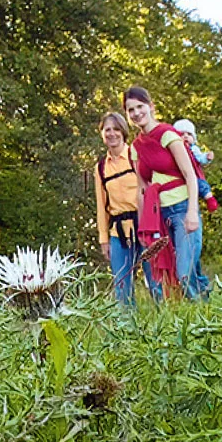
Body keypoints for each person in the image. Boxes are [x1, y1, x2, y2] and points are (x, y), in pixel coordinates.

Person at [123, 87, 209, 300]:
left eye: (140, 107)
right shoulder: (135, 147)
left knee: (184, 272)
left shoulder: (168, 135)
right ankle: (192, 316)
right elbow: (142, 189)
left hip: (181, 208)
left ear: (151, 107)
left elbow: (190, 175)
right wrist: (144, 227)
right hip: (159, 214)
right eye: (130, 109)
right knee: (167, 277)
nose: (136, 113)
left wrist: (192, 212)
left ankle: (202, 313)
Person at [94, 112, 162, 305]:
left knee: (156, 282)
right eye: (108, 130)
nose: (112, 134)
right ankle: (127, 331)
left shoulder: (136, 156)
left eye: (116, 129)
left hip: (145, 225)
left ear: (123, 132)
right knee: (122, 287)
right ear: (102, 134)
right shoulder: (101, 169)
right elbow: (102, 206)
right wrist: (104, 240)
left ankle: (166, 325)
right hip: (119, 231)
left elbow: (152, 188)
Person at [173, 119, 218, 213]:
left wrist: (207, 157)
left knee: (201, 184)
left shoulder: (194, 149)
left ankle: (209, 198)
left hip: (193, 174)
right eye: (182, 134)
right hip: (178, 176)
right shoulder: (173, 149)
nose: (185, 136)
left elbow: (200, 158)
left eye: (189, 134)